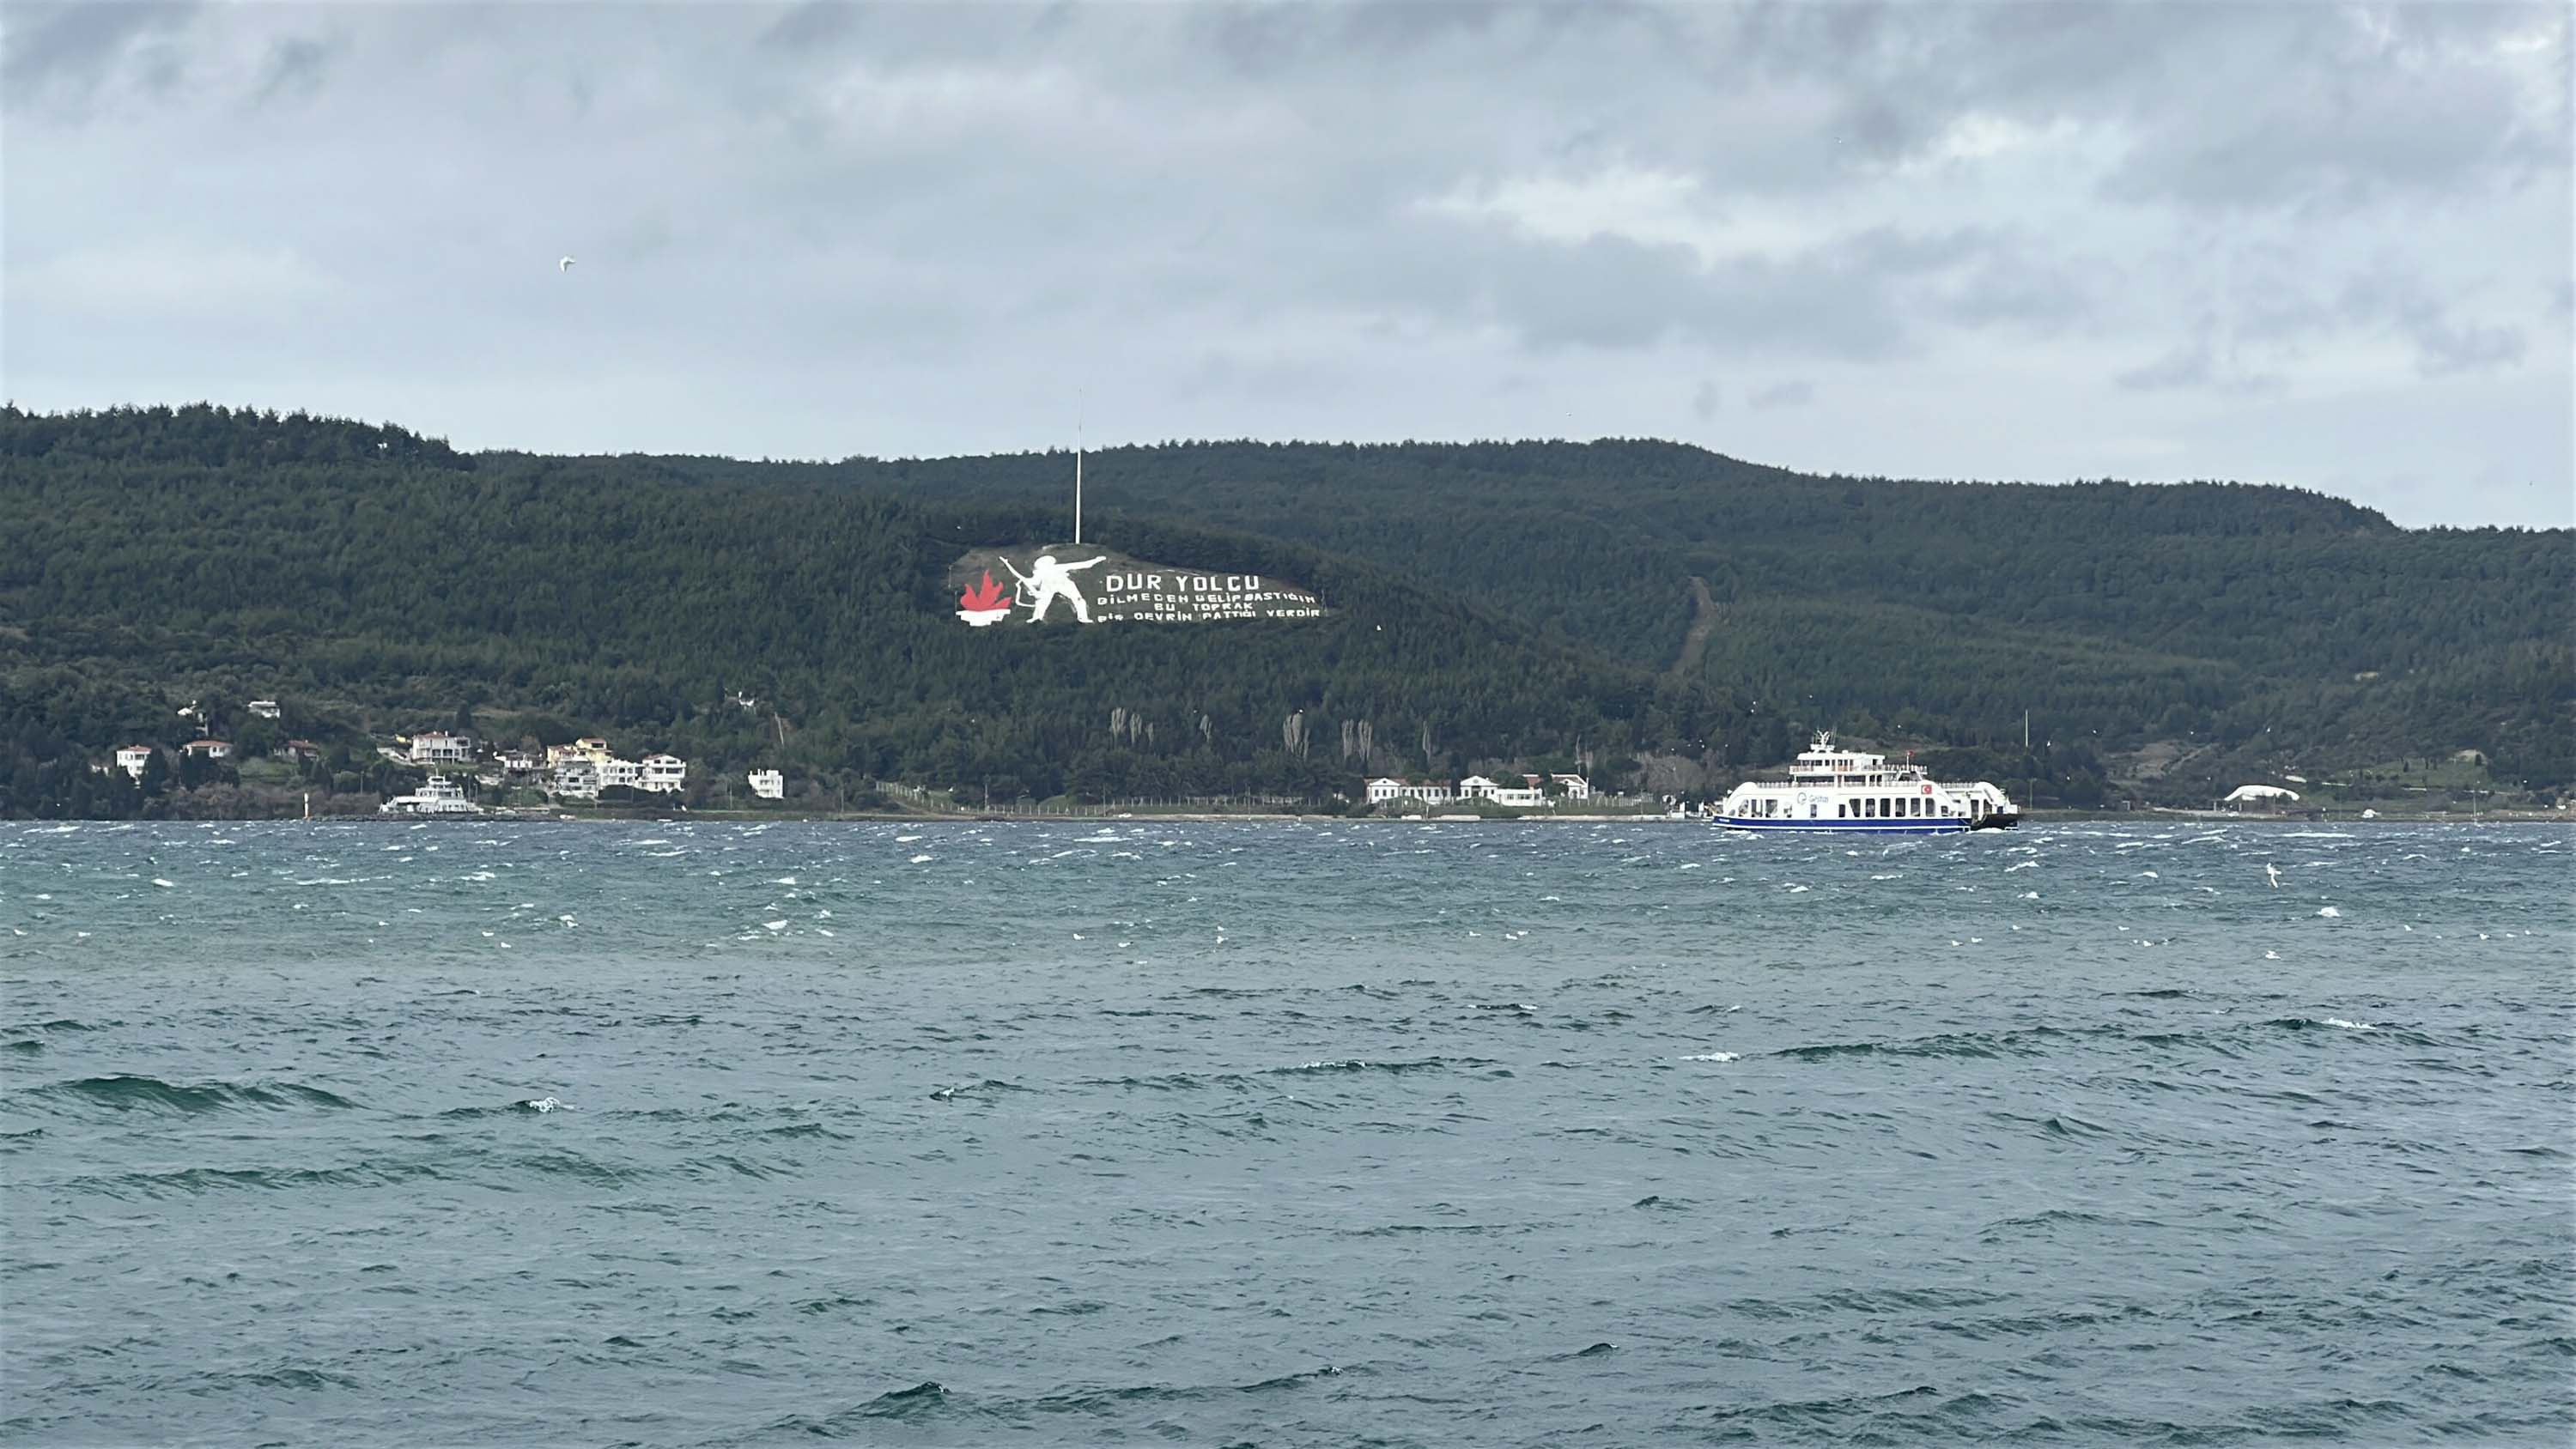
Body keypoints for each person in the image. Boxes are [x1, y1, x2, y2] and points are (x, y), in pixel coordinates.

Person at [1002, 554, 1106, 623]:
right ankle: (1037, 617)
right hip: (1049, 587)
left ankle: (1083, 617)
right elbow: (1027, 580)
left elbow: (1082, 565)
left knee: (1079, 601)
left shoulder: (1057, 568)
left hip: (1065, 585)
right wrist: (1007, 564)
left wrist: (1096, 560)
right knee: (1041, 602)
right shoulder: (1040, 574)